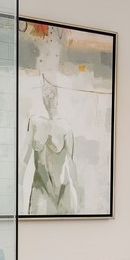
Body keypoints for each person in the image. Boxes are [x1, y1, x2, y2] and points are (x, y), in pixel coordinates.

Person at [20, 76, 79, 215]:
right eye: (45, 92)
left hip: (62, 192)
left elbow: (71, 165)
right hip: (40, 189)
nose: (48, 96)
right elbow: (23, 160)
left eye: (52, 92)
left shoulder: (66, 128)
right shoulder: (34, 123)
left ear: (57, 96)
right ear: (42, 96)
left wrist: (77, 199)